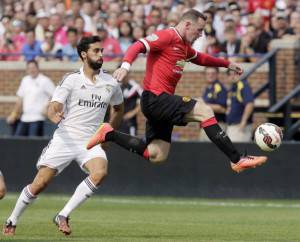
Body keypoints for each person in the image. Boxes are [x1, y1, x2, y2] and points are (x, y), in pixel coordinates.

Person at [87, 9, 267, 174]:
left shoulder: (184, 47)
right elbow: (138, 45)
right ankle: (237, 159)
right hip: (155, 98)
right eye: (199, 30)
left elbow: (202, 58)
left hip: (159, 103)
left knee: (157, 154)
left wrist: (227, 64)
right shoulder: (167, 36)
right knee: (204, 111)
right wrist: (125, 66)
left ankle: (108, 133)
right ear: (187, 24)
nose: (200, 34)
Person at [3, 36, 124, 236]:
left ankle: (63, 214)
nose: (101, 54)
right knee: (39, 183)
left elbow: (119, 109)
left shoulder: (110, 82)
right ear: (84, 55)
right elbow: (53, 107)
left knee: (100, 172)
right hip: (66, 138)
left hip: (90, 141)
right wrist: (55, 116)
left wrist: (107, 133)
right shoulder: (71, 79)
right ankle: (13, 218)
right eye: (96, 51)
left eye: (101, 50)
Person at [6, 60, 55, 137]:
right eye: (29, 68)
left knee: (32, 144)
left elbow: (55, 95)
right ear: (27, 70)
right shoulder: (25, 80)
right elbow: (20, 99)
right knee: (16, 142)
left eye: (33, 67)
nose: (32, 70)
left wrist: (47, 106)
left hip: (38, 118)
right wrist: (13, 114)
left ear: (38, 68)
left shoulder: (45, 80)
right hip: (24, 118)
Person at [199, 67, 227, 141]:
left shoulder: (219, 88)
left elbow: (222, 109)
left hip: (217, 125)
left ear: (217, 75)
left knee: (214, 151)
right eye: (208, 73)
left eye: (213, 73)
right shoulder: (207, 88)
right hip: (206, 125)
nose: (210, 75)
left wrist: (203, 105)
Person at [226, 70, 254, 142]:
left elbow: (250, 104)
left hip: (240, 127)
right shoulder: (233, 87)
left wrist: (243, 122)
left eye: (235, 74)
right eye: (230, 74)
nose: (232, 76)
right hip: (232, 126)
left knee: (239, 151)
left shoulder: (243, 85)